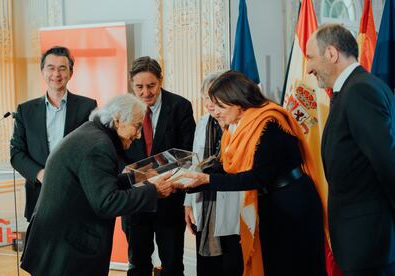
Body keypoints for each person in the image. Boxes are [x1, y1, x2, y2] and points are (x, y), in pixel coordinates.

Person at [180, 71, 327, 276]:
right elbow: (229, 166)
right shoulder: (239, 127)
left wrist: (207, 180)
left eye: (220, 105)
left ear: (237, 101)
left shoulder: (269, 123)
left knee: (294, 266)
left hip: (292, 206)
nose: (215, 111)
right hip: (273, 203)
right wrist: (193, 180)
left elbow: (256, 177)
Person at [20, 94, 176, 276]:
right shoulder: (99, 146)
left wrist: (137, 178)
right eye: (137, 126)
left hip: (57, 244)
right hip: (66, 253)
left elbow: (92, 184)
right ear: (117, 120)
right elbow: (106, 203)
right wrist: (153, 190)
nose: (139, 134)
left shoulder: (91, 133)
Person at [306, 23, 395, 276]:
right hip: (361, 241)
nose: (309, 68)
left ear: (331, 54)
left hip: (369, 243)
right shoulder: (354, 88)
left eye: (311, 57)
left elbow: (387, 163)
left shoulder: (359, 91)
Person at [122, 56, 196, 276]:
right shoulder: (122, 109)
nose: (146, 93)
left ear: (160, 80)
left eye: (151, 86)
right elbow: (117, 152)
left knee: (172, 265)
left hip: (169, 199)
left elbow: (187, 152)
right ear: (131, 85)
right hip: (135, 201)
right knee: (137, 265)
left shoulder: (180, 106)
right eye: (139, 87)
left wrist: (162, 180)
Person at [10, 46, 97, 222]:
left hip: (77, 193)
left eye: (62, 68)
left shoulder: (87, 107)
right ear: (43, 71)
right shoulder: (25, 111)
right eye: (51, 67)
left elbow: (94, 150)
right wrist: (40, 174)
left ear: (71, 73)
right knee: (41, 249)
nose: (56, 74)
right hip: (39, 195)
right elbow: (17, 153)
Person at [184, 72, 243, 276]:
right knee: (208, 264)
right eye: (206, 98)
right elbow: (194, 162)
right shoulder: (202, 123)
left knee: (232, 259)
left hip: (232, 200)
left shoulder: (237, 123)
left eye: (214, 98)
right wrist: (188, 203)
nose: (210, 104)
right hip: (205, 198)